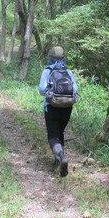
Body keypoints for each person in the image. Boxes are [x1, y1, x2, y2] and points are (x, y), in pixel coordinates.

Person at [38, 46, 78, 177]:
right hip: (67, 108)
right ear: (63, 57)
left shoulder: (47, 71)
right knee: (60, 132)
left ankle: (61, 156)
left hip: (51, 107)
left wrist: (49, 92)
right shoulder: (68, 72)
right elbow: (75, 89)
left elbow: (41, 90)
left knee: (53, 137)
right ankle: (58, 160)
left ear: (51, 56)